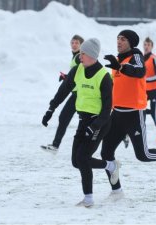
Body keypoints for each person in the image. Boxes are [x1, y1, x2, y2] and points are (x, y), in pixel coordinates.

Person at [101, 30, 156, 198]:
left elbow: (139, 72)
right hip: (117, 113)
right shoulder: (117, 60)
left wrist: (120, 67)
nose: (119, 41)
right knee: (106, 153)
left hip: (134, 114)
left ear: (131, 42)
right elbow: (116, 85)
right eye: (117, 38)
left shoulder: (136, 56)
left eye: (123, 39)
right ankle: (116, 190)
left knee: (143, 155)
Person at [42, 38, 120, 207]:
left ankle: (88, 199)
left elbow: (107, 109)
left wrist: (95, 127)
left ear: (91, 55)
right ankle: (110, 166)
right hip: (83, 121)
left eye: (83, 53)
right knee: (76, 162)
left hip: (100, 122)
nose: (80, 56)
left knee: (83, 158)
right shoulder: (77, 70)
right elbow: (63, 91)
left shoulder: (104, 76)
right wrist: (51, 109)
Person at [41, 35, 84, 153]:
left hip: (81, 94)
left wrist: (67, 79)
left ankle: (121, 133)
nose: (74, 44)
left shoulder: (79, 57)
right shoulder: (75, 57)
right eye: (73, 42)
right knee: (64, 118)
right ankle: (55, 145)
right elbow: (76, 74)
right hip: (76, 93)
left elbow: (81, 73)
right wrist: (66, 77)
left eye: (77, 43)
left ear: (81, 45)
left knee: (82, 120)